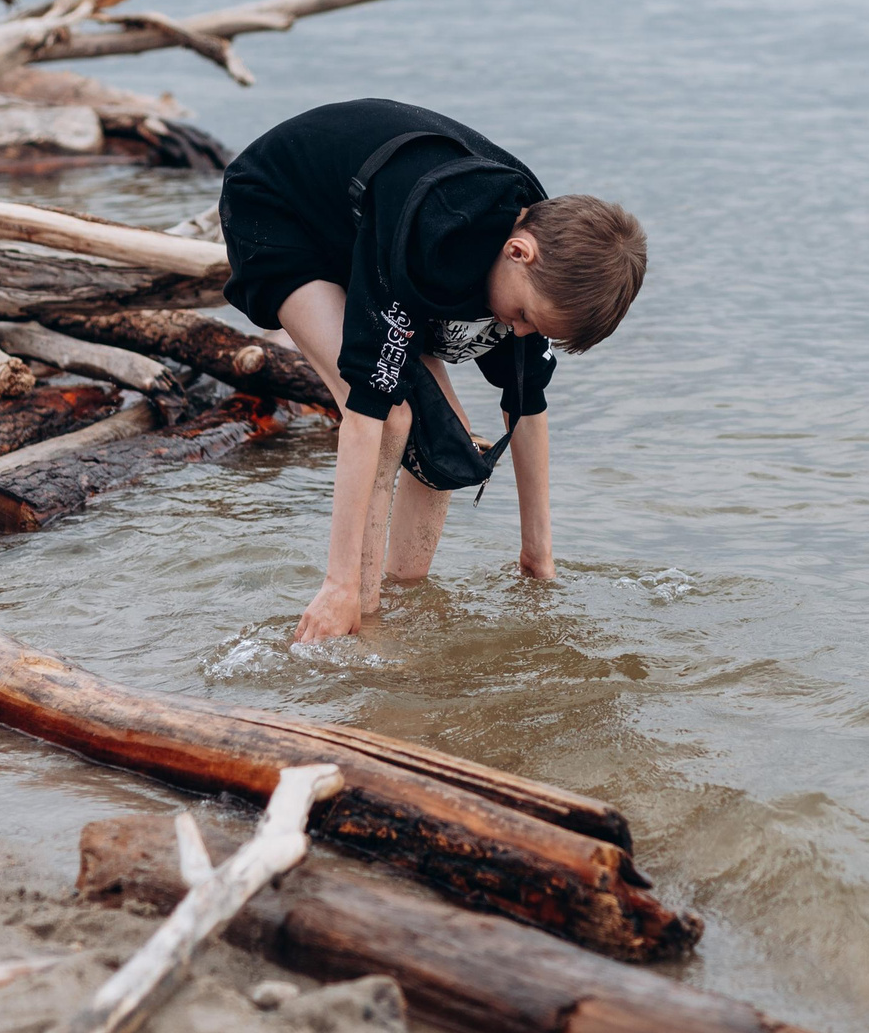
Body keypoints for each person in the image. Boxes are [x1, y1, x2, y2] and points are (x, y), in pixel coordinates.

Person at [217, 98, 647, 641]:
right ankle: (356, 609)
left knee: (447, 443)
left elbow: (527, 402)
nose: (516, 334)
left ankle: (401, 594)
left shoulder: (541, 256)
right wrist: (338, 584)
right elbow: (364, 414)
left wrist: (538, 556)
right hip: (281, 210)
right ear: (519, 252)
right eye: (522, 317)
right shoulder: (430, 230)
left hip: (368, 233)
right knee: (393, 416)